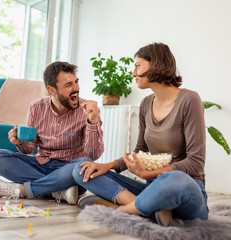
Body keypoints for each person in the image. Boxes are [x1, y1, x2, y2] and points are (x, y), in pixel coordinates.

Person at [72, 42, 209, 226]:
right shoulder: (146, 104)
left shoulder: (189, 99)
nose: (133, 73)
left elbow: (195, 162)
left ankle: (122, 210)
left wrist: (147, 174)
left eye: (137, 66)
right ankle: (152, 209)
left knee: (174, 179)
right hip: (151, 187)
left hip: (185, 189)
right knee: (82, 169)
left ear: (155, 65)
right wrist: (109, 165)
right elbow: (140, 151)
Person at [0, 61, 104, 204]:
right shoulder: (36, 108)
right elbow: (29, 149)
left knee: (84, 164)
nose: (76, 88)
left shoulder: (87, 111)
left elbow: (93, 155)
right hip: (40, 164)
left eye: (76, 82)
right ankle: (58, 190)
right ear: (52, 90)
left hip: (67, 170)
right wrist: (20, 142)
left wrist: (93, 122)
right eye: (68, 85)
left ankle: (21, 190)